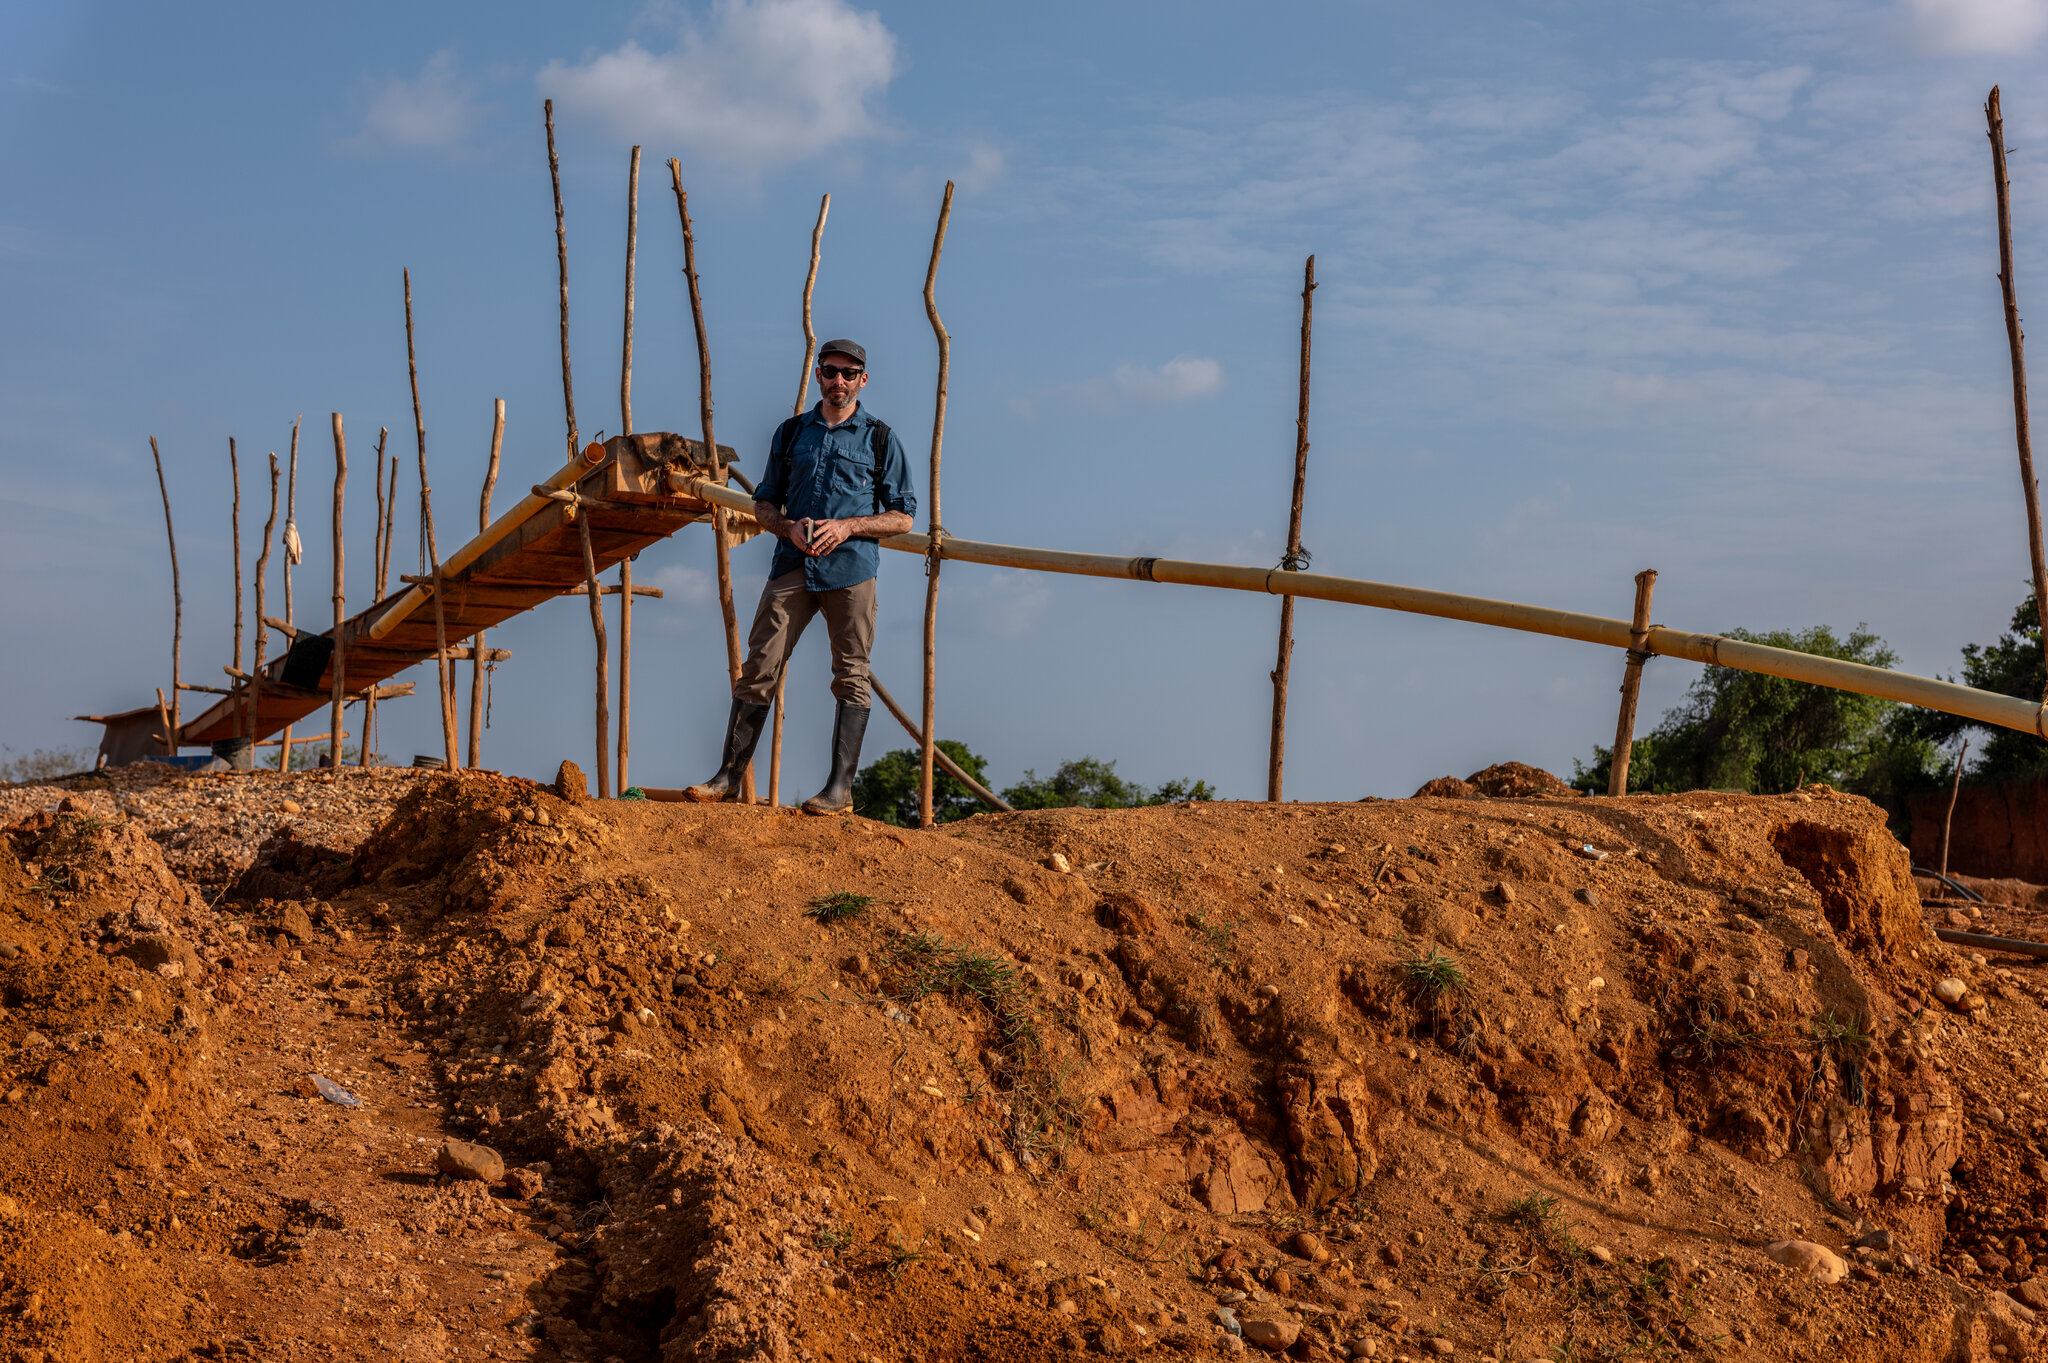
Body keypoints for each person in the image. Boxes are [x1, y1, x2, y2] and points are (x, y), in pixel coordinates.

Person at [685, 339, 916, 813]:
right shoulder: (791, 433)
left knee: (852, 675)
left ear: (863, 380)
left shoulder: (880, 437)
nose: (839, 381)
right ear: (818, 375)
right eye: (830, 372)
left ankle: (838, 791)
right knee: (758, 669)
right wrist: (786, 526)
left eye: (849, 374)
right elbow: (764, 500)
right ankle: (727, 777)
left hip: (852, 571)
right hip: (791, 566)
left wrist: (849, 525)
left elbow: (903, 516)